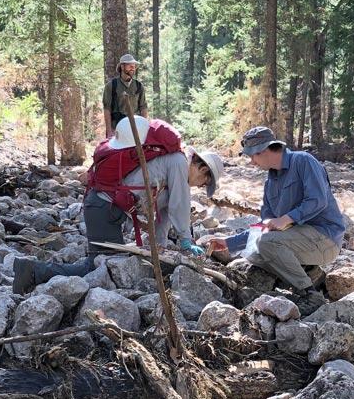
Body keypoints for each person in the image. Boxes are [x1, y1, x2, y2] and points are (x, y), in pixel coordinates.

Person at [12, 116, 223, 294]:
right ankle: (33, 271)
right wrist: (186, 240)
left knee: (108, 264)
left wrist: (158, 247)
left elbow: (165, 213)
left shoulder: (171, 164)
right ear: (203, 170)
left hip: (104, 208)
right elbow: (180, 205)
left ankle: (34, 271)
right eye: (204, 184)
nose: (200, 187)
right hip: (102, 207)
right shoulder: (177, 163)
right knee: (100, 267)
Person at [205, 126, 344, 315]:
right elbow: (265, 227)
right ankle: (311, 274)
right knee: (253, 252)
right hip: (300, 241)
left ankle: (310, 294)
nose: (252, 162)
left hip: (325, 237)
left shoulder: (303, 161)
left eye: (253, 156)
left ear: (265, 150)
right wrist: (229, 243)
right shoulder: (270, 183)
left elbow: (318, 200)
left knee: (266, 243)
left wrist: (286, 218)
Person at [102, 53, 148, 138]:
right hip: (117, 128)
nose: (132, 68)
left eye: (134, 65)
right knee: (117, 151)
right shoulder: (111, 86)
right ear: (122, 67)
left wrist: (144, 128)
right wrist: (109, 131)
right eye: (129, 65)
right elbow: (107, 109)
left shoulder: (139, 86)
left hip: (135, 129)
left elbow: (143, 107)